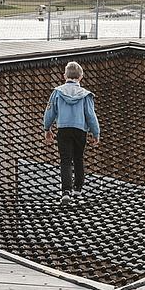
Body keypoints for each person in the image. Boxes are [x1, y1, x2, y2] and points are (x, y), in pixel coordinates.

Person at [43, 61, 101, 203]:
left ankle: (66, 192)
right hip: (80, 130)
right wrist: (96, 133)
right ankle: (78, 189)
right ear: (81, 77)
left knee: (66, 160)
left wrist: (47, 128)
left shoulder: (57, 92)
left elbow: (50, 112)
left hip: (63, 129)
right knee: (78, 158)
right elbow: (91, 115)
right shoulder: (86, 95)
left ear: (64, 76)